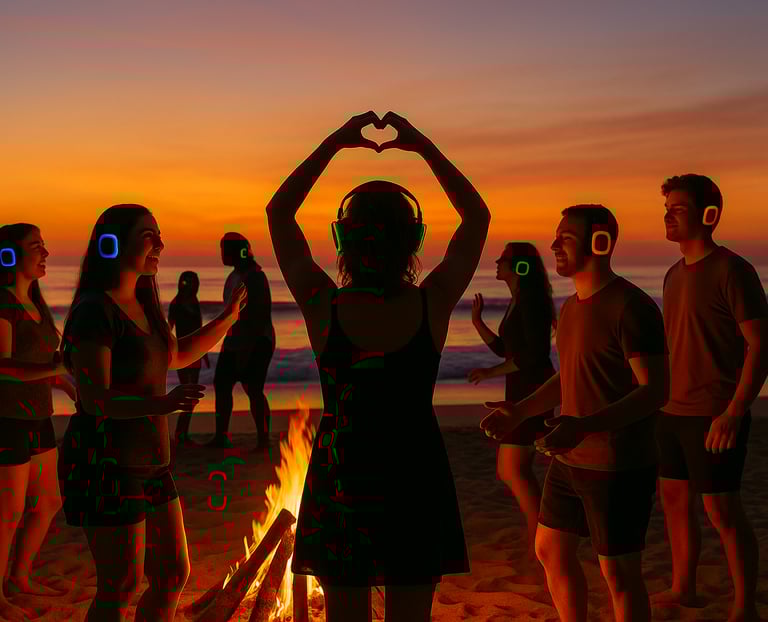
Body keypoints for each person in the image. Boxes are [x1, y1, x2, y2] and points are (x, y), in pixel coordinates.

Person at [266, 111, 489, 622]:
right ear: (415, 240)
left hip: (343, 474)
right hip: (415, 473)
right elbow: (476, 218)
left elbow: (280, 214)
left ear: (341, 238)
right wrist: (422, 146)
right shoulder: (431, 304)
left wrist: (336, 143)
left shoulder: (324, 305)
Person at [56, 205, 246, 622]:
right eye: (148, 236)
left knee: (173, 573)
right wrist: (159, 405)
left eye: (159, 235)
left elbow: (177, 354)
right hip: (106, 463)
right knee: (120, 585)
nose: (160, 244)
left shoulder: (145, 305)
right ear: (112, 244)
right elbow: (94, 400)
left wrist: (228, 319)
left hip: (153, 464)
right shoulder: (94, 311)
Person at [481, 205, 669, 622]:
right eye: (556, 236)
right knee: (549, 549)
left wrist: (584, 426)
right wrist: (520, 410)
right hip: (568, 459)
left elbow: (654, 390)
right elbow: (569, 376)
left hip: (616, 465)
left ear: (600, 243)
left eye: (565, 237)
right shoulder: (570, 308)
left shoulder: (630, 307)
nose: (553, 245)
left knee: (618, 573)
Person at [652, 174, 767, 622]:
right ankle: (685, 588)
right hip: (671, 410)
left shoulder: (733, 270)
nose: (668, 214)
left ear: (708, 214)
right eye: (667, 207)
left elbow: (761, 343)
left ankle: (745, 606)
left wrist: (735, 411)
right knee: (676, 505)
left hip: (715, 412)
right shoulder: (671, 274)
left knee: (722, 510)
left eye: (678, 208)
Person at [0, 224, 76, 622]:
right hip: (6, 420)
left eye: (44, 245)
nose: (45, 253)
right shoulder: (3, 306)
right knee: (7, 512)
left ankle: (19, 578)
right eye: (36, 247)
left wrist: (67, 385)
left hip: (39, 417)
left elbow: (44, 368)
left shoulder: (37, 305)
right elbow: (4, 368)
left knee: (48, 501)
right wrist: (55, 367)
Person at [468, 242, 556, 562]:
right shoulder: (519, 300)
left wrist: (491, 371)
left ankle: (540, 533)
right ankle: (537, 532)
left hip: (533, 391)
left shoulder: (531, 302)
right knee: (513, 469)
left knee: (513, 469)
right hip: (521, 390)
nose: (496, 261)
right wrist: (478, 322)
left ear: (519, 267)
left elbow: (533, 356)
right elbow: (506, 349)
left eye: (502, 259)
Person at [208, 232, 275, 449]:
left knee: (253, 388)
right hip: (234, 340)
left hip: (257, 340)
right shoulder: (235, 275)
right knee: (222, 384)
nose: (221, 254)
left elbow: (260, 315)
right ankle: (221, 436)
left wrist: (248, 348)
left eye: (225, 249)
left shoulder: (255, 276)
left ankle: (263, 439)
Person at [168, 271, 210, 446]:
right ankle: (180, 434)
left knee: (193, 397)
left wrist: (204, 353)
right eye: (187, 281)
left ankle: (183, 433)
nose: (190, 284)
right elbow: (169, 328)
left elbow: (199, 329)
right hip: (183, 352)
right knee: (188, 394)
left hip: (196, 353)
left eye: (193, 281)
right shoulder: (176, 304)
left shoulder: (195, 302)